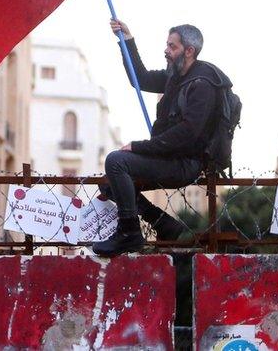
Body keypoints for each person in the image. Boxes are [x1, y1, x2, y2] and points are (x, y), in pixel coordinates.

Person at [93, 20, 229, 256]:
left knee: (117, 161)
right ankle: (164, 224)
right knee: (110, 183)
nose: (166, 50)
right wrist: (127, 41)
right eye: (167, 45)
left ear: (189, 51)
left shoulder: (202, 84)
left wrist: (138, 147)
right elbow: (141, 79)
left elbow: (187, 134)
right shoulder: (175, 77)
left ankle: (129, 233)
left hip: (185, 163)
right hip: (168, 158)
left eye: (172, 46)